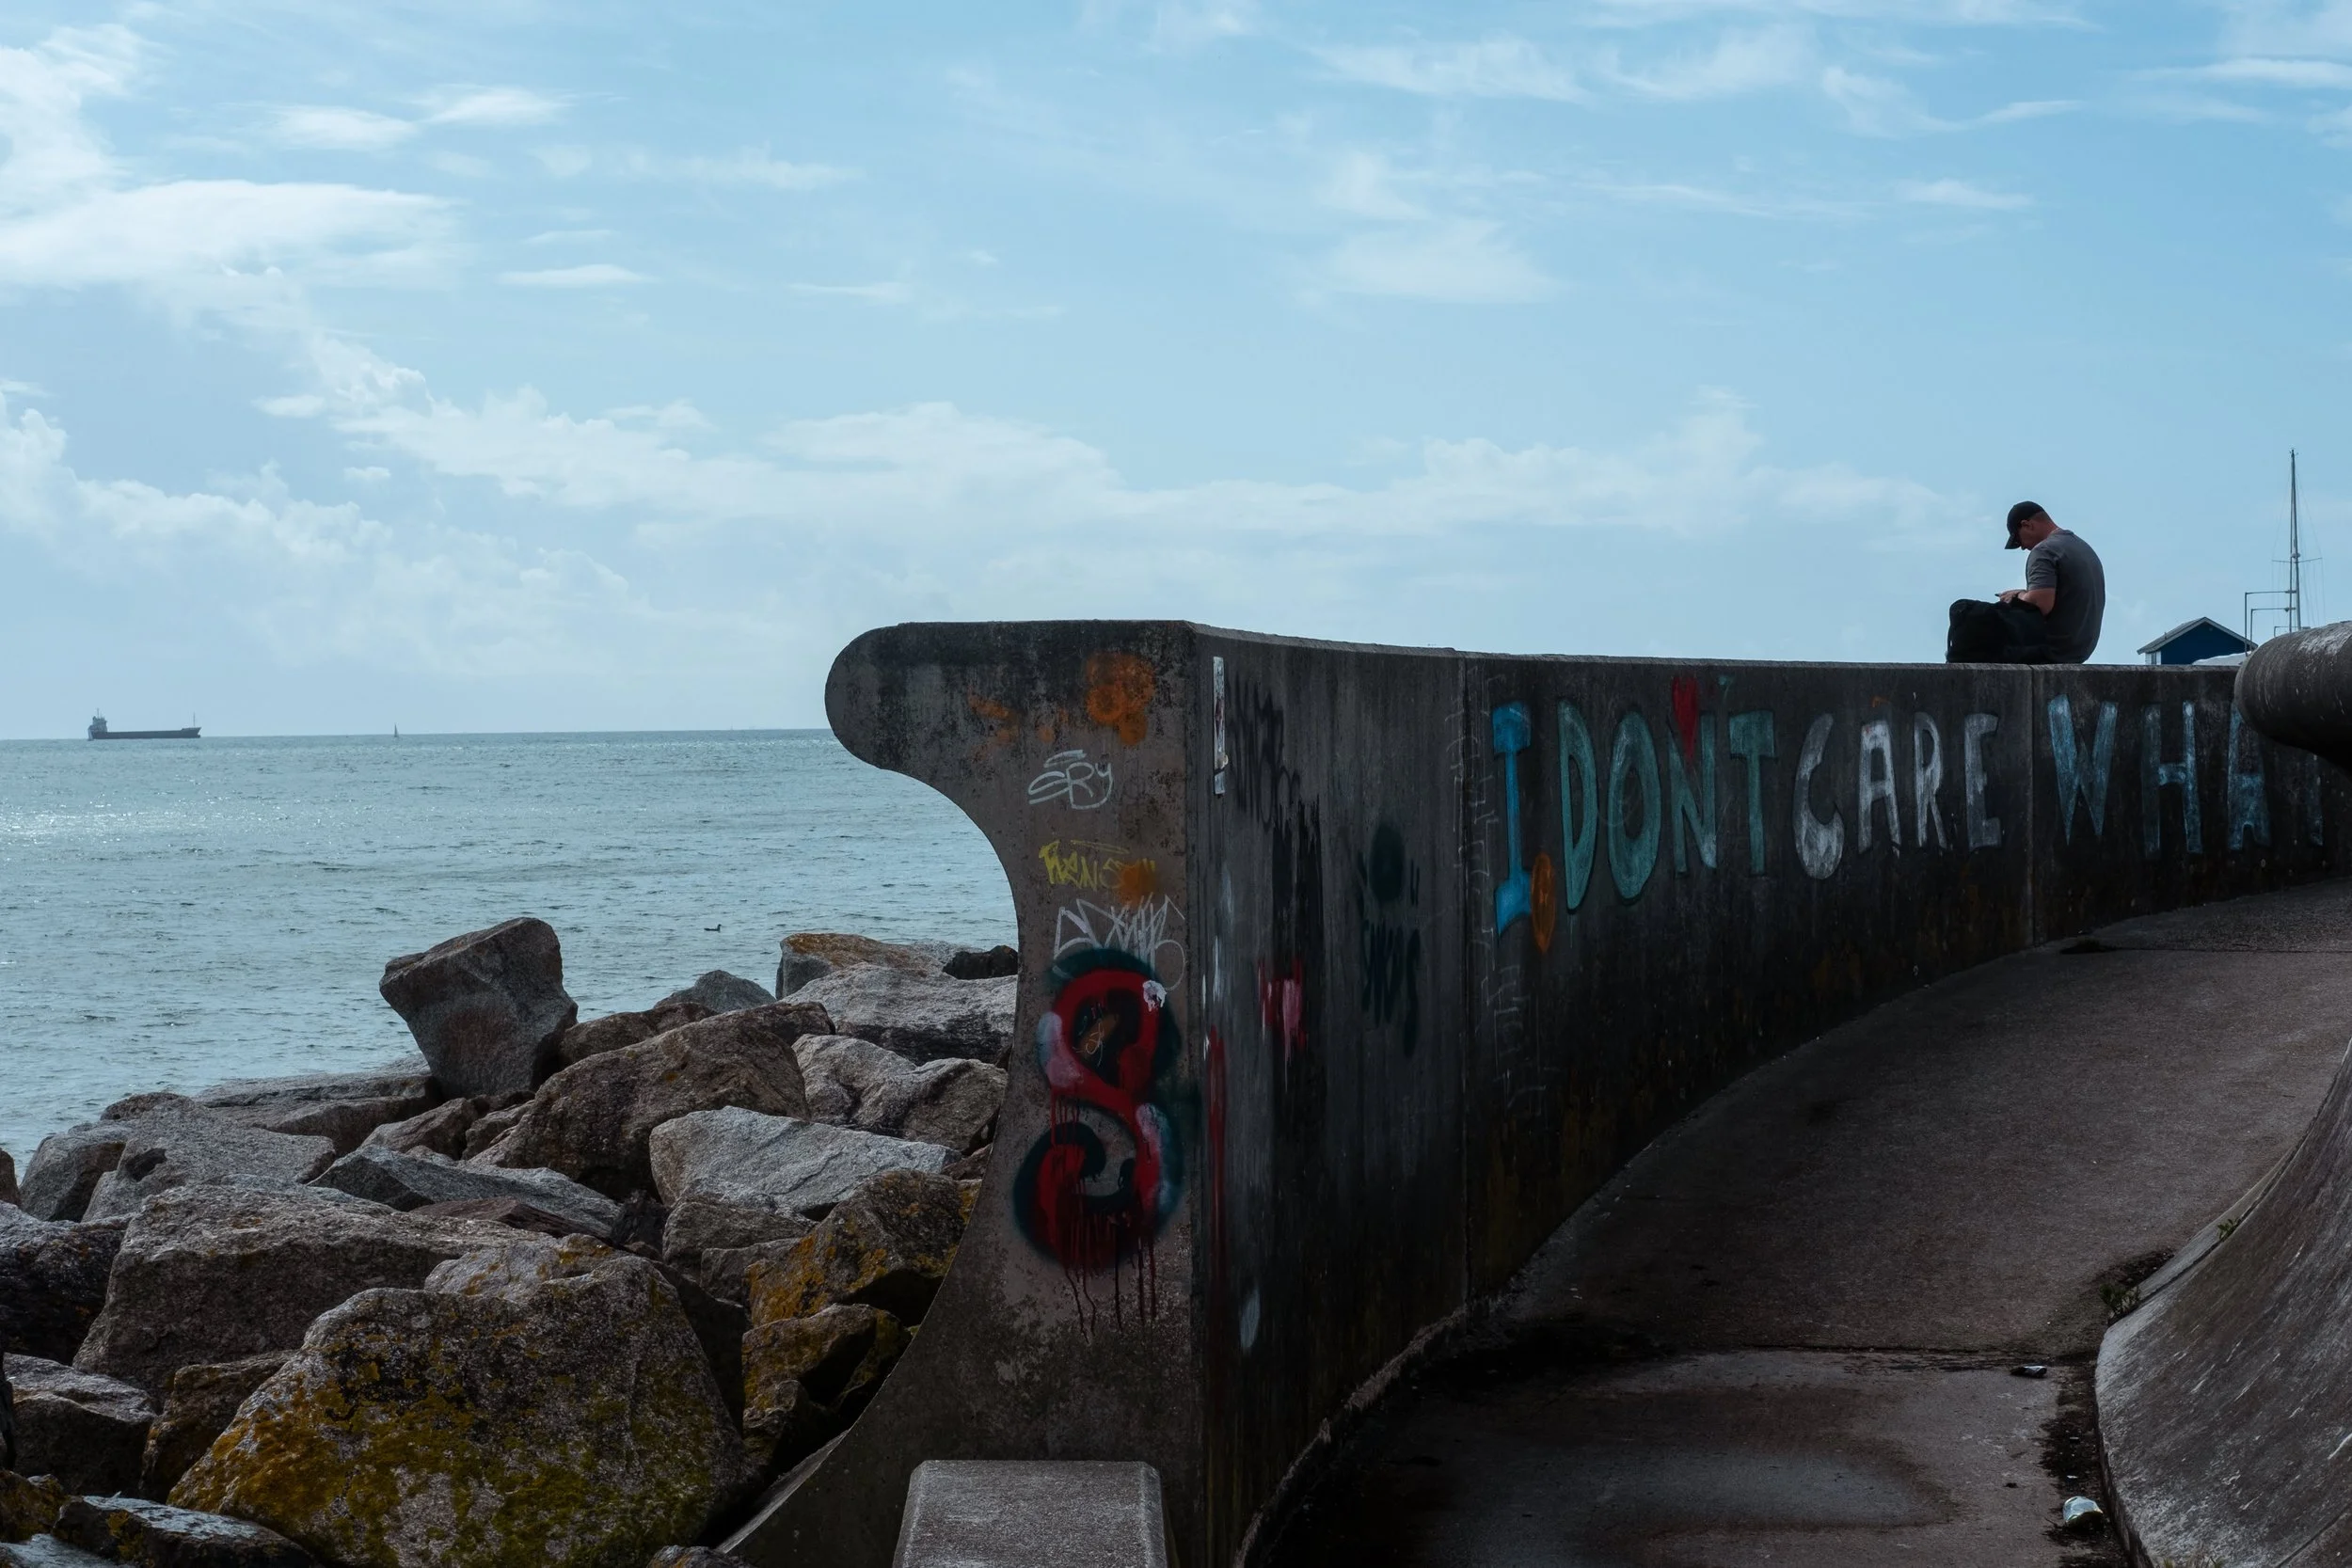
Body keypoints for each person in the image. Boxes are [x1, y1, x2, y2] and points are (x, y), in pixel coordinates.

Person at [1997, 500, 2105, 664]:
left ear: (2027, 525)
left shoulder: (2044, 551)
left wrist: (2016, 596)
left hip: (2054, 650)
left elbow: (2040, 604)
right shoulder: (2082, 547)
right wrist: (2025, 594)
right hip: (2080, 650)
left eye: (2019, 540)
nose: (2023, 548)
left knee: (1978, 637)